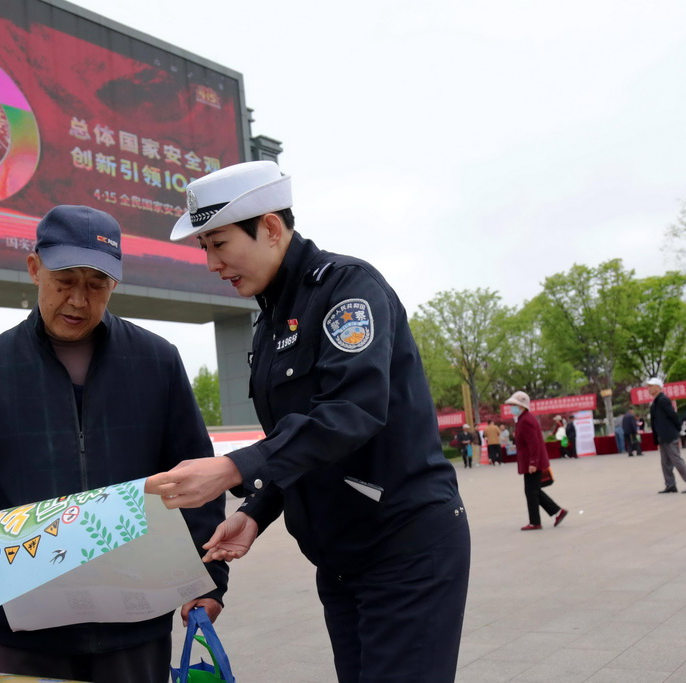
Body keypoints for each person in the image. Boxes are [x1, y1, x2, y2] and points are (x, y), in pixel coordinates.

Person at [147, 161, 470, 682]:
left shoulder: (347, 291)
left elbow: (352, 411)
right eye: (203, 247)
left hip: (404, 550)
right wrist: (255, 512)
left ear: (270, 228)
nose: (211, 263)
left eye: (219, 243)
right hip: (341, 561)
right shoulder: (269, 323)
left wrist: (232, 468)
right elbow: (300, 441)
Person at [0, 206, 228, 682]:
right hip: (22, 624)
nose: (78, 300)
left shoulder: (156, 362)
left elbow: (196, 474)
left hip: (135, 618)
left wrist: (211, 579)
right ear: (35, 268)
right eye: (64, 280)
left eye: (96, 283)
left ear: (115, 285)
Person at [504, 392, 567, 530]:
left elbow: (534, 444)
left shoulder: (526, 420)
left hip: (533, 463)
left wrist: (533, 462)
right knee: (533, 491)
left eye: (513, 405)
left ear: (521, 406)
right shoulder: (523, 419)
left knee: (531, 491)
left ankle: (536, 522)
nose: (511, 408)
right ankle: (557, 511)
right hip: (531, 461)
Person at [647, 378, 686, 494]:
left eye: (651, 386)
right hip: (662, 436)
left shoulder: (663, 400)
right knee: (665, 462)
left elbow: (673, 416)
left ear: (658, 387)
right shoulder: (655, 402)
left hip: (669, 435)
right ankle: (670, 484)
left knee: (676, 460)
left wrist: (678, 429)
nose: (649, 388)